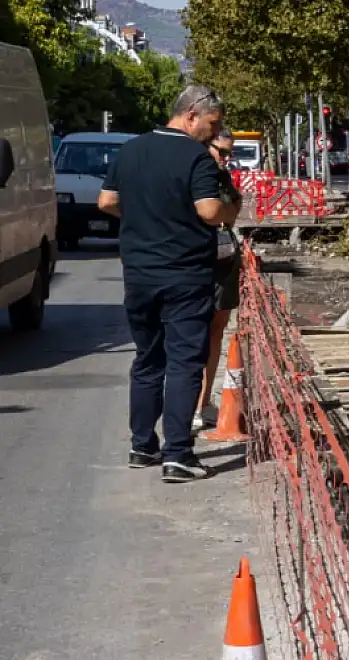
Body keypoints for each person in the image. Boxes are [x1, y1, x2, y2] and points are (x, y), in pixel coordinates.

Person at [98, 84, 239, 482]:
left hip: (139, 274)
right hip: (185, 275)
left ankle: (142, 445)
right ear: (191, 114)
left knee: (147, 358)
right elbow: (210, 211)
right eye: (212, 124)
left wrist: (144, 216)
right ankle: (178, 454)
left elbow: (106, 202)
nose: (214, 133)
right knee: (184, 362)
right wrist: (233, 208)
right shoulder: (195, 156)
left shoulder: (131, 149)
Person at [197, 131, 242, 432]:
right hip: (196, 264)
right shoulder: (194, 172)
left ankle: (202, 403)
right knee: (192, 336)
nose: (225, 159)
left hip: (222, 263)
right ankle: (190, 404)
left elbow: (232, 210)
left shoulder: (222, 178)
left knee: (215, 333)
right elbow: (213, 214)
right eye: (221, 152)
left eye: (229, 154)